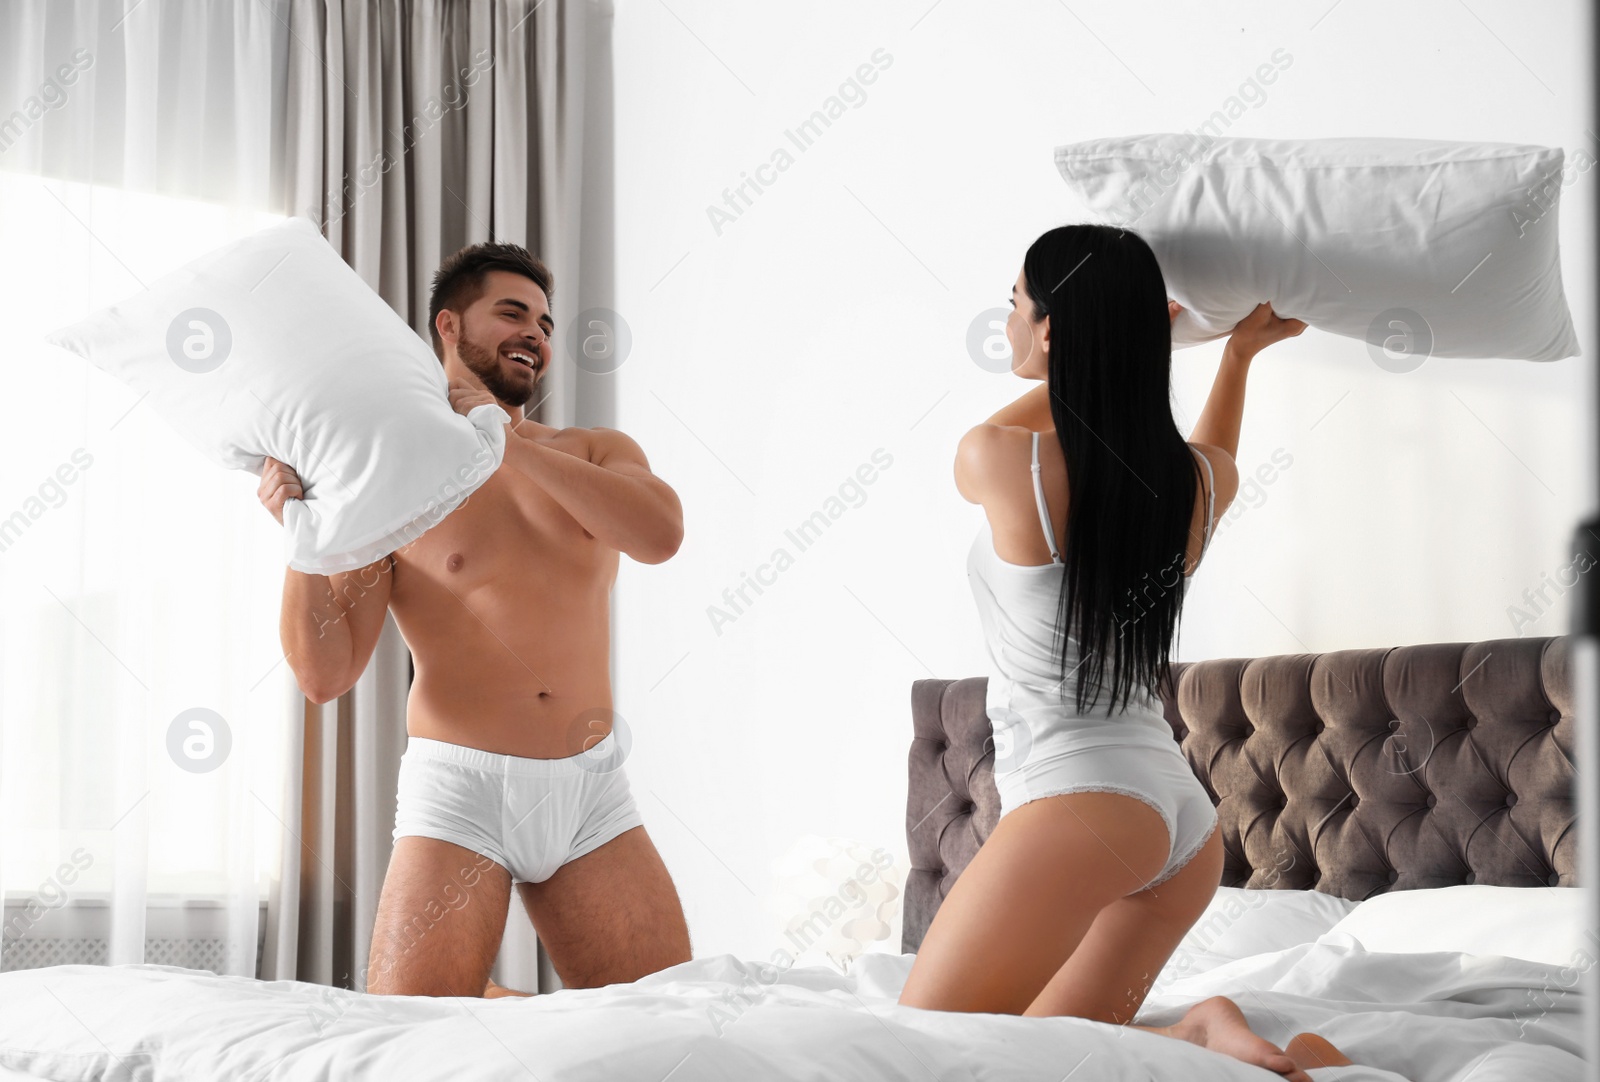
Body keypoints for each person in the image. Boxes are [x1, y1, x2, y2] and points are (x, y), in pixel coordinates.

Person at [895, 224, 1354, 1079]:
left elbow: (1042, 422)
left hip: (1082, 805)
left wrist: (1124, 351)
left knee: (922, 1051)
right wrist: (1234, 357)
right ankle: (1208, 1038)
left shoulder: (1001, 459)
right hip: (1180, 822)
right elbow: (1209, 452)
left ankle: (1207, 1036)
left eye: (1015, 305)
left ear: (1052, 332)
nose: (1005, 326)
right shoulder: (1195, 486)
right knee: (1053, 1055)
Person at [257, 241, 691, 998]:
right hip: (461, 791)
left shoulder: (590, 449)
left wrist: (504, 440)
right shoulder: (392, 480)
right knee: (411, 1040)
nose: (537, 333)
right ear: (450, 327)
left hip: (590, 793)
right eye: (513, 313)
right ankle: (507, 1016)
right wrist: (303, 530)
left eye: (547, 323)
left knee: (668, 1025)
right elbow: (325, 675)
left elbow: (658, 535)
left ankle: (515, 1017)